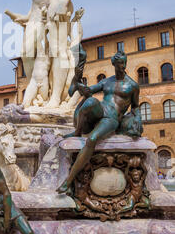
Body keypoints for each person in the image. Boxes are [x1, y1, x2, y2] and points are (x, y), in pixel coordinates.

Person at [57, 51, 142, 195]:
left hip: (112, 118)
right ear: (114, 64)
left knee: (92, 139)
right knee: (90, 101)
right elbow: (89, 91)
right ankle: (77, 131)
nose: (122, 66)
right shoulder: (106, 81)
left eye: (123, 63)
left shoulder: (132, 86)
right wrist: (80, 83)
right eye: (119, 64)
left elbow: (135, 106)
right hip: (101, 109)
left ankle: (68, 180)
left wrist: (138, 119)